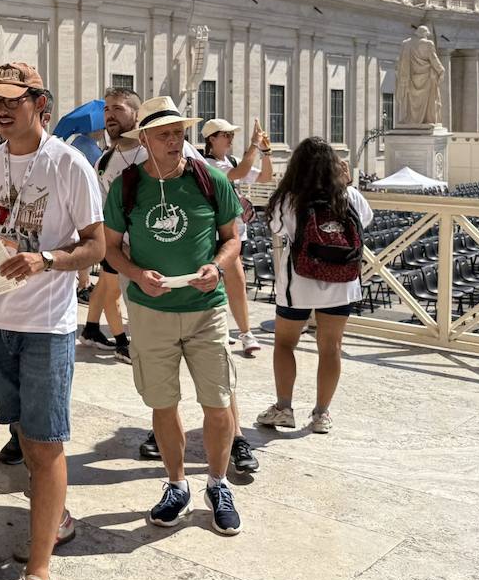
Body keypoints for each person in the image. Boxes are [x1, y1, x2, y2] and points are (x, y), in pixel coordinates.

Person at [0, 63, 104, 580]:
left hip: (46, 323)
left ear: (39, 103)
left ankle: (39, 576)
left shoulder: (69, 164)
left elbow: (94, 246)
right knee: (22, 432)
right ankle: (57, 516)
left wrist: (46, 260)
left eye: (11, 100)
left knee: (45, 446)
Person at [103, 96, 244, 537]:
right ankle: (177, 483)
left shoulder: (211, 179)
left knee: (218, 403)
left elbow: (232, 239)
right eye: (163, 133)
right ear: (143, 138)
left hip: (205, 309)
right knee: (163, 404)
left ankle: (218, 485)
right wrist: (137, 274)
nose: (173, 140)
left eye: (179, 132)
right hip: (150, 311)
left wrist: (217, 267)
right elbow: (109, 248)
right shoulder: (126, 185)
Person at [256, 139, 372, 435]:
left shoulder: (290, 198)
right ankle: (321, 414)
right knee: (331, 347)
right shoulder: (351, 196)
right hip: (341, 282)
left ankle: (284, 408)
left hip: (300, 282)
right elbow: (366, 222)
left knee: (284, 343)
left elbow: (277, 228)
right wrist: (347, 184)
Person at [199, 117, 273, 358]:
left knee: (223, 283)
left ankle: (223, 329)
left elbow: (264, 177)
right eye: (225, 134)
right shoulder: (208, 164)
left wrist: (266, 152)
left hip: (236, 231)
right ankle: (245, 333)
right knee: (237, 281)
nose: (230, 138)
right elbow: (239, 173)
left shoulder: (229, 160)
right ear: (211, 139)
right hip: (219, 232)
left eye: (231, 134)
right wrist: (253, 145)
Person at [80, 88, 138, 362]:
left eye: (118, 109)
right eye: (106, 110)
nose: (110, 115)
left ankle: (95, 331)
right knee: (111, 289)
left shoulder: (152, 150)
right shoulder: (103, 162)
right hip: (117, 245)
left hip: (149, 243)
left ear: (136, 114)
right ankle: (122, 343)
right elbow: (99, 207)